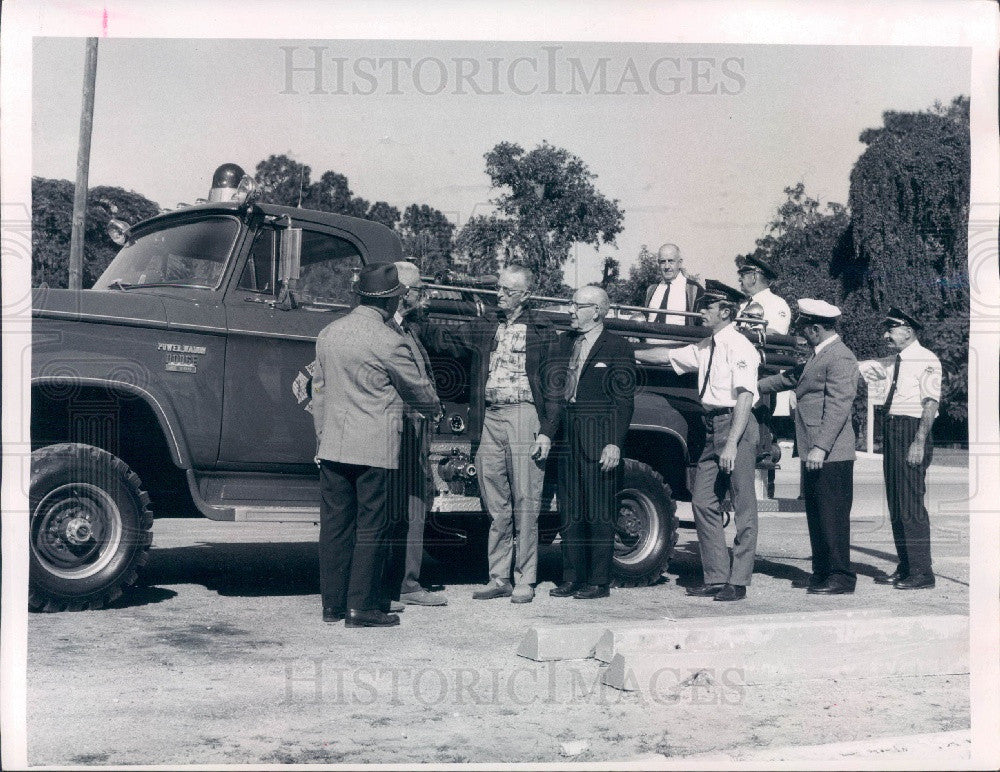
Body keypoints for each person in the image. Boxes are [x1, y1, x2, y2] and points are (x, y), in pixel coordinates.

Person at [418, 264, 562, 604]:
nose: (500, 295)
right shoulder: (485, 325)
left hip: (525, 415)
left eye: (508, 291)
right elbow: (447, 339)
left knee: (526, 499)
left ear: (525, 295)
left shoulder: (543, 329)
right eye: (499, 289)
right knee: (495, 500)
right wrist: (414, 318)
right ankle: (499, 577)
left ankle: (525, 579)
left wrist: (547, 432)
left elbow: (555, 386)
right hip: (489, 417)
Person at [312, 263, 441, 628]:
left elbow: (317, 392)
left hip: (333, 445)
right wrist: (434, 407)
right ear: (390, 301)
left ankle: (332, 606)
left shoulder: (329, 333)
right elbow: (419, 390)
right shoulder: (388, 340)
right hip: (374, 451)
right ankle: (362, 607)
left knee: (335, 527)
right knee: (372, 527)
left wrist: (321, 437)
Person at [636, 279, 760, 602]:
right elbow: (666, 356)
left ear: (726, 311)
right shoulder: (707, 346)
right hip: (712, 427)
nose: (701, 310)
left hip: (737, 425)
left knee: (744, 505)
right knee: (704, 501)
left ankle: (739, 580)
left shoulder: (740, 347)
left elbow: (746, 397)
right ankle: (717, 577)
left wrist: (732, 443)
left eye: (708, 306)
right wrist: (629, 351)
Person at [758, 299, 859, 594]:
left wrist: (820, 447)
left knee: (833, 516)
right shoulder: (820, 355)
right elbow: (791, 378)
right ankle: (822, 572)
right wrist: (752, 384)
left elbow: (839, 406)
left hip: (830, 453)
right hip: (816, 450)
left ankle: (841, 577)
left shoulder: (840, 357)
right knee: (818, 514)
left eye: (804, 328)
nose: (801, 333)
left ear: (816, 328)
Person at [550, 286, 636, 600]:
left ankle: (599, 581)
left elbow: (624, 401)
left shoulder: (618, 347)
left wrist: (614, 443)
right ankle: (572, 577)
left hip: (598, 439)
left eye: (576, 305)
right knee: (570, 510)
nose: (570, 311)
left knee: (599, 511)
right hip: (567, 437)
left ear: (596, 310)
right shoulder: (564, 342)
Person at [859, 307, 942, 590]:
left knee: (911, 505)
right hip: (893, 430)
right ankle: (906, 566)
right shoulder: (894, 361)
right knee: (896, 503)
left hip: (912, 430)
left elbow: (930, 404)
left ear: (908, 330)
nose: (886, 334)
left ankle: (922, 572)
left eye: (891, 329)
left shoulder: (927, 359)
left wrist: (918, 442)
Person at [382, 261, 448, 607]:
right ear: (405, 294)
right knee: (397, 506)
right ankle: (396, 583)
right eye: (420, 290)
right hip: (398, 431)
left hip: (415, 432)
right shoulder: (387, 332)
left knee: (414, 504)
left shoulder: (409, 330)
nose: (427, 297)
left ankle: (407, 581)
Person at [736, 254, 793, 496]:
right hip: (742, 371)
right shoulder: (743, 305)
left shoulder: (776, 304)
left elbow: (775, 337)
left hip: (762, 374)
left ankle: (761, 489)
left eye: (743, 275)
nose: (740, 280)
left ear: (754, 276)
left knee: (760, 431)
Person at [644, 243, 705, 327]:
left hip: (679, 340)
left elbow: (702, 323)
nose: (666, 266)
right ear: (658, 263)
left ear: (680, 263)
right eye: (662, 262)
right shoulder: (651, 290)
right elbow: (643, 318)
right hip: (649, 339)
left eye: (671, 261)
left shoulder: (694, 290)